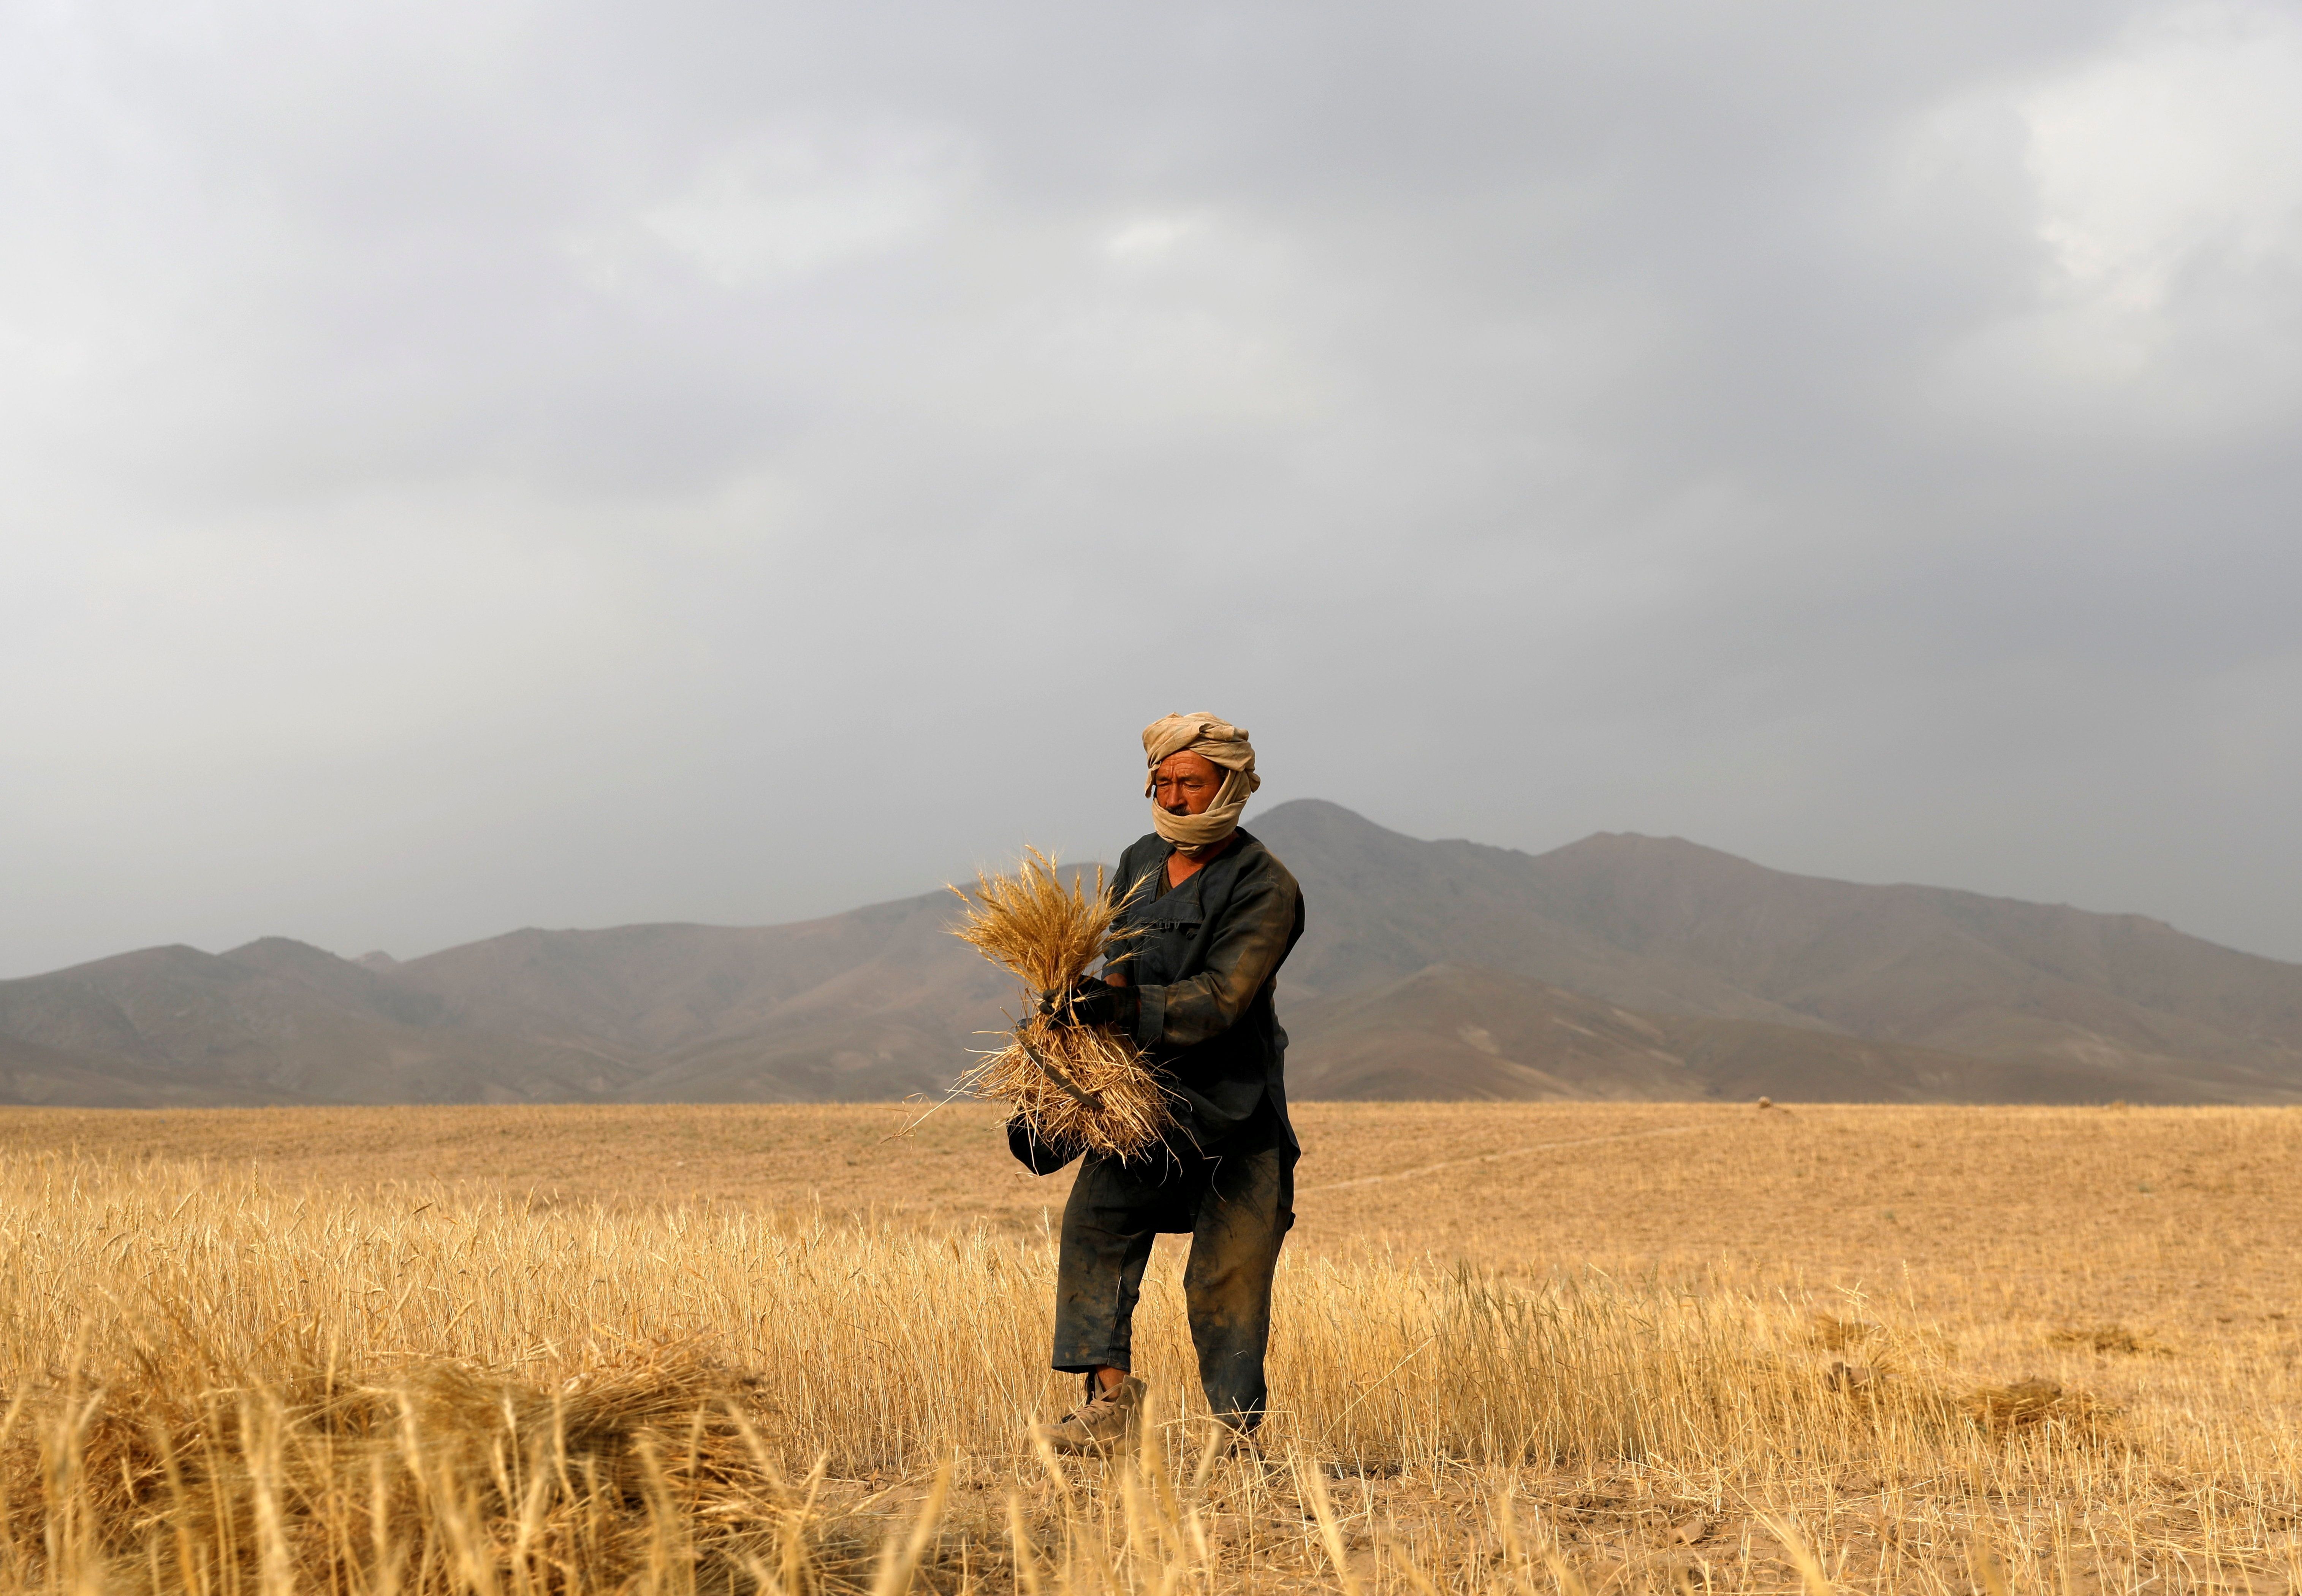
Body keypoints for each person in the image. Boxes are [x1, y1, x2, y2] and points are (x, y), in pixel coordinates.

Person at [1012, 711, 1306, 1453]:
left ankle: (1235, 1445)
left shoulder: (1266, 887)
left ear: (1230, 784)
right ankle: (1108, 1406)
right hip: (1139, 1106)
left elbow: (1221, 1001)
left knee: (1226, 1285)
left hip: (1235, 1117)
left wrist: (1123, 1004)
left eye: (1191, 783)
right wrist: (1078, 1023)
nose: (1174, 797)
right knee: (1094, 1231)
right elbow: (1118, 962)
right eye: (1164, 782)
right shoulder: (1140, 859)